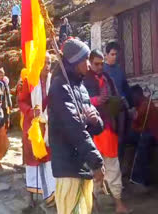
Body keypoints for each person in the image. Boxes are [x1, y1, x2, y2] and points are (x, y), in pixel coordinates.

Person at [48, 39, 104, 214]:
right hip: (68, 166)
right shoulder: (60, 87)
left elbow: (94, 125)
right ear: (74, 62)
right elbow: (74, 129)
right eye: (85, 60)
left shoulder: (81, 88)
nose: (88, 65)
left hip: (81, 164)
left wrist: (96, 121)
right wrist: (96, 162)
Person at [84, 49, 129, 213]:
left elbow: (116, 97)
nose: (99, 67)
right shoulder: (84, 80)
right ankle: (93, 206)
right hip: (92, 133)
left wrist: (114, 102)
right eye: (96, 64)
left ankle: (118, 204)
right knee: (94, 170)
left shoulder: (108, 78)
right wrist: (95, 100)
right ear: (90, 62)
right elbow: (79, 102)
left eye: (101, 64)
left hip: (109, 129)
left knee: (113, 167)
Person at [18, 53, 56, 208]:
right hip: (33, 125)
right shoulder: (29, 81)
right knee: (32, 159)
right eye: (45, 63)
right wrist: (30, 111)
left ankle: (50, 195)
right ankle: (31, 196)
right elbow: (21, 101)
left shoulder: (53, 80)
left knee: (48, 159)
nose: (47, 66)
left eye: (49, 63)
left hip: (48, 125)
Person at [104, 41, 135, 164]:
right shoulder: (103, 70)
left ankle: (120, 169)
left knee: (121, 139)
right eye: (112, 54)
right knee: (109, 138)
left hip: (120, 109)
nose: (114, 57)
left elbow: (126, 88)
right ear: (106, 55)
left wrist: (132, 106)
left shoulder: (119, 70)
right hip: (107, 111)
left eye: (116, 54)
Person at [128, 85, 158, 187]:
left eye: (133, 96)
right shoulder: (140, 104)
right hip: (145, 132)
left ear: (138, 95)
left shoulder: (145, 105)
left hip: (152, 134)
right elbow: (135, 126)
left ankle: (140, 178)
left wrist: (136, 126)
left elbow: (139, 125)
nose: (132, 99)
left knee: (143, 142)